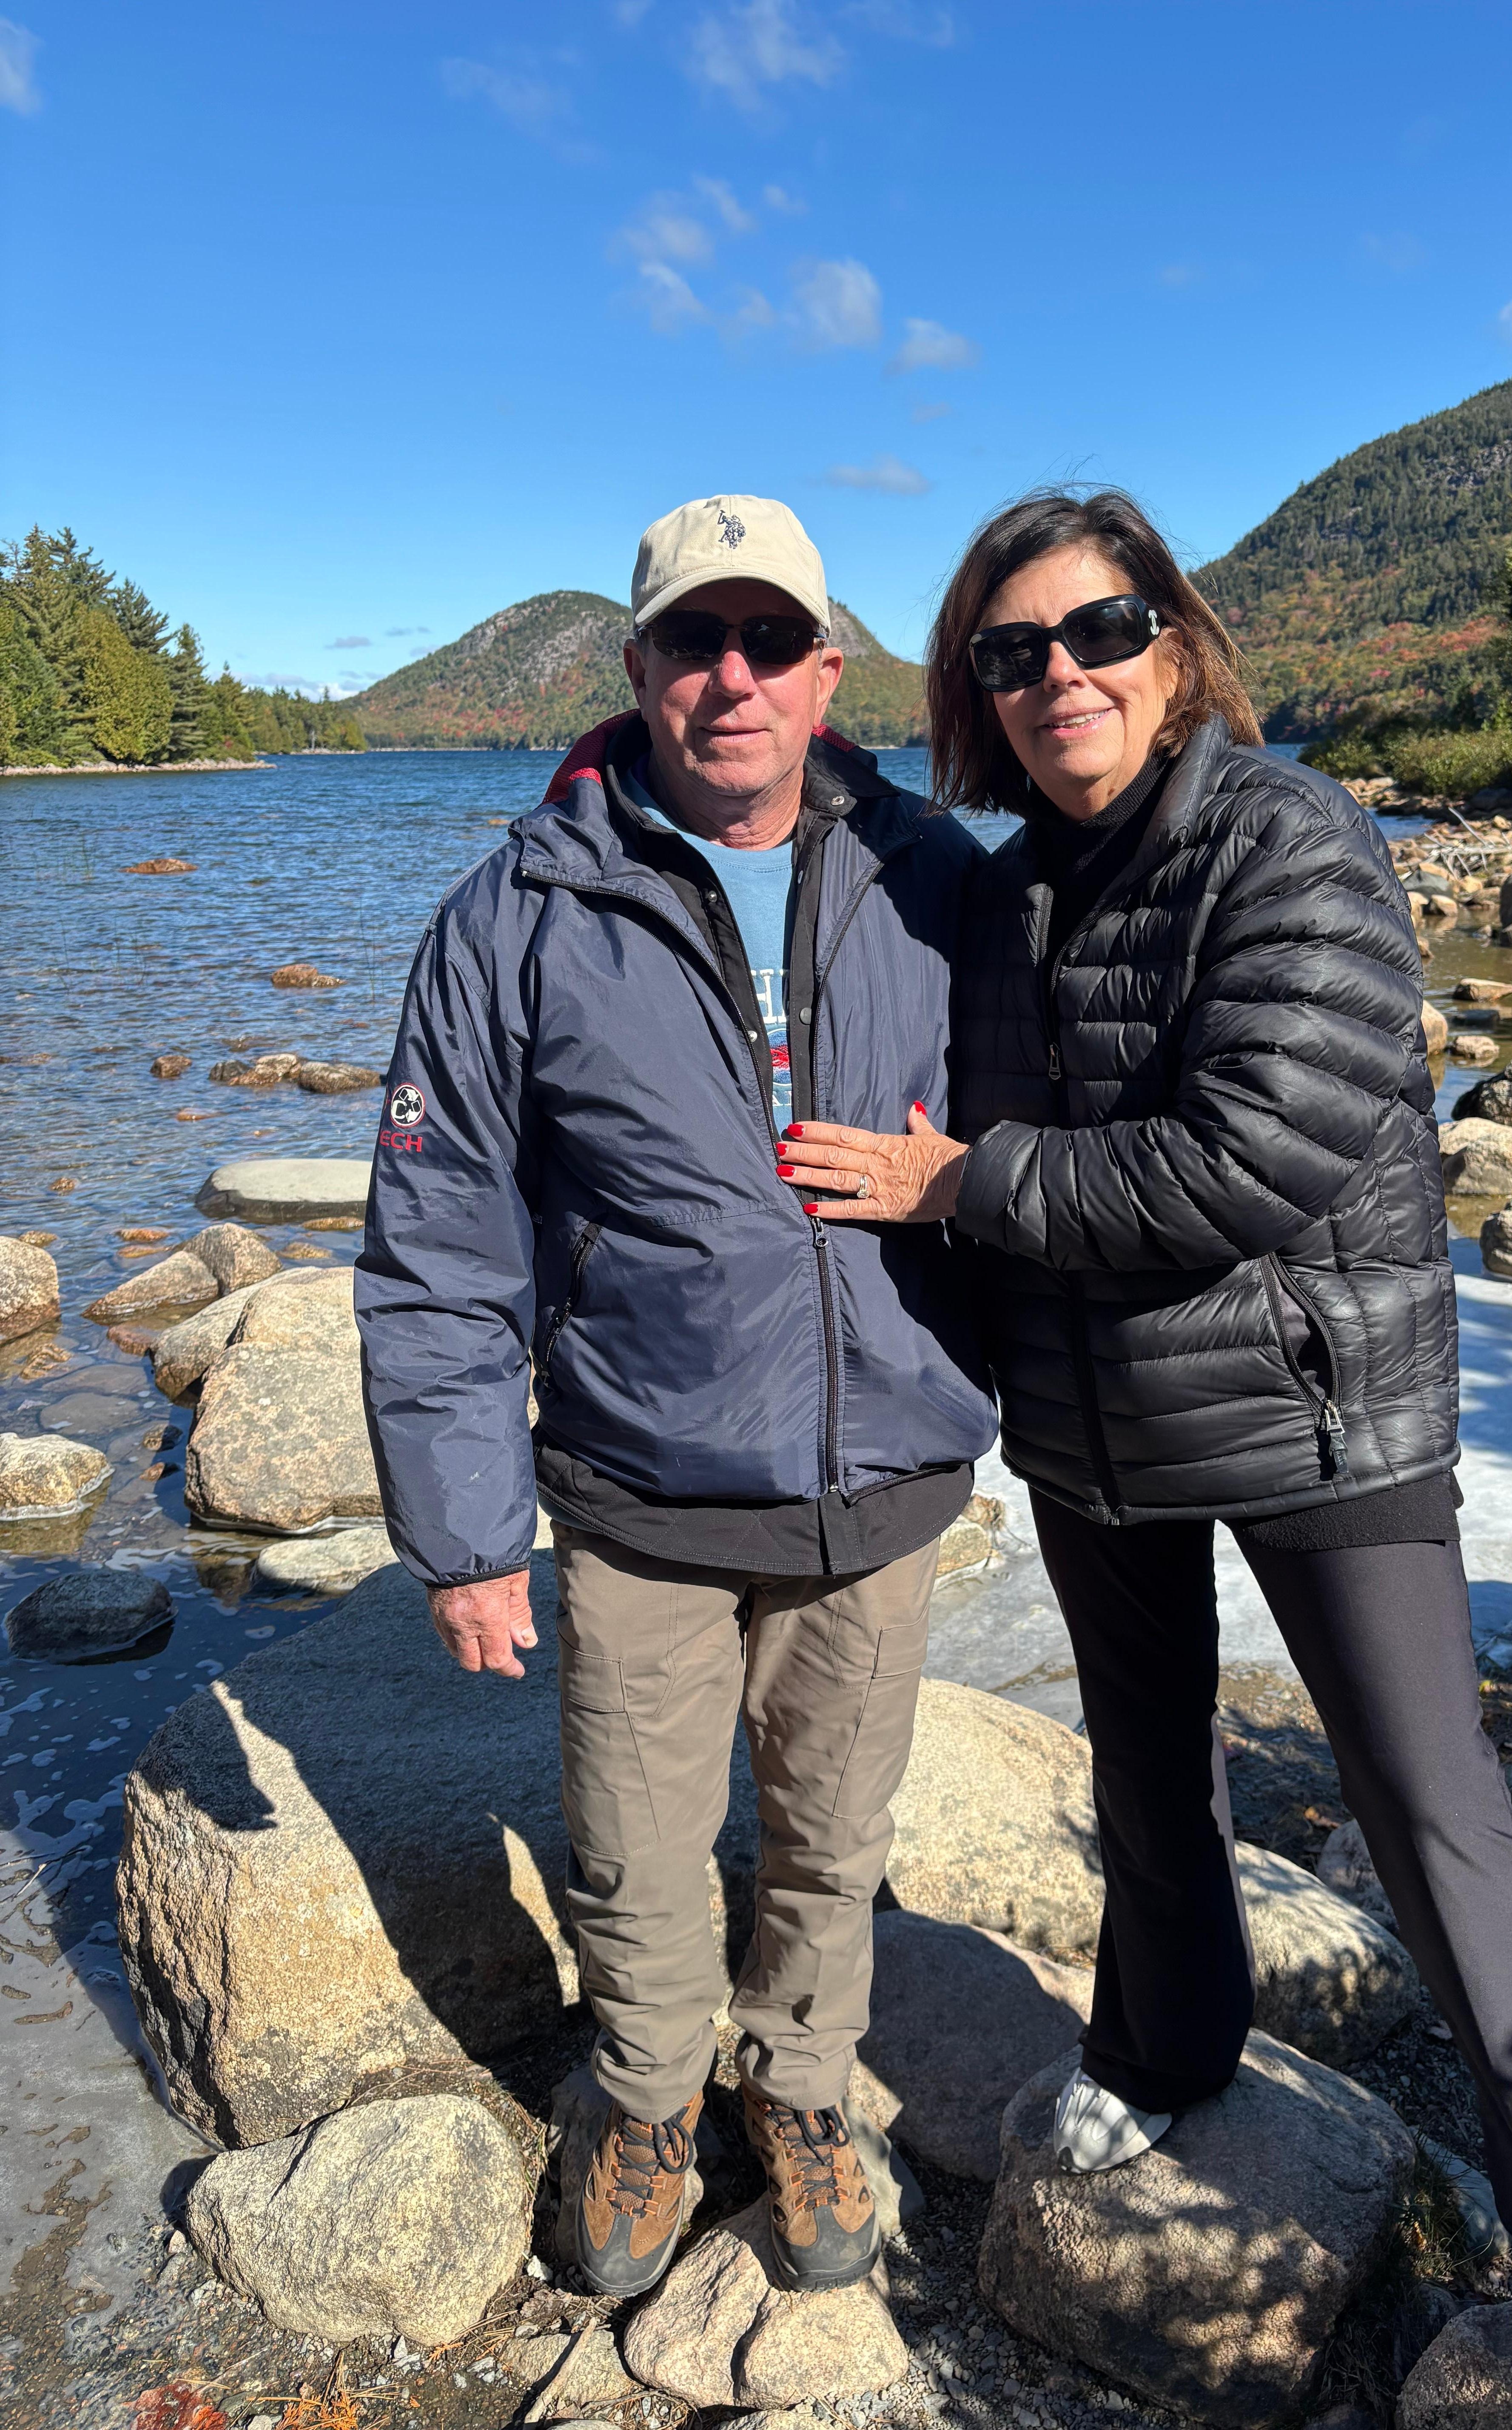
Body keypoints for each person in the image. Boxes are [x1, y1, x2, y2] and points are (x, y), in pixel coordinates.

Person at [775, 487, 1512, 2390]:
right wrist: (695, 743)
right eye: (1011, 653)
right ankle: (1162, 2051)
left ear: (1175, 643)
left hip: (1321, 1401)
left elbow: (1256, 1155)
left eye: (1099, 633)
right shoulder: (1003, 885)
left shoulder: (1292, 835)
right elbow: (853, 830)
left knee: (1432, 1803)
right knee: (1145, 1767)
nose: (1062, 676)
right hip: (1094, 1414)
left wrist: (960, 1181)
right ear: (977, 692)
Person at [356, 493, 993, 2303]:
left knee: (832, 1834)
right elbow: (438, 1244)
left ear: (825, 669)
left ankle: (798, 2089)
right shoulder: (513, 915)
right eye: (693, 643)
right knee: (634, 1845)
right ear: (632, 666)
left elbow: (1078, 1092)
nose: (733, 677)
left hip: (881, 1474)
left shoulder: (936, 875)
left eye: (769, 642)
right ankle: (641, 2099)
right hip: (639, 1486)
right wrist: (468, 1534)